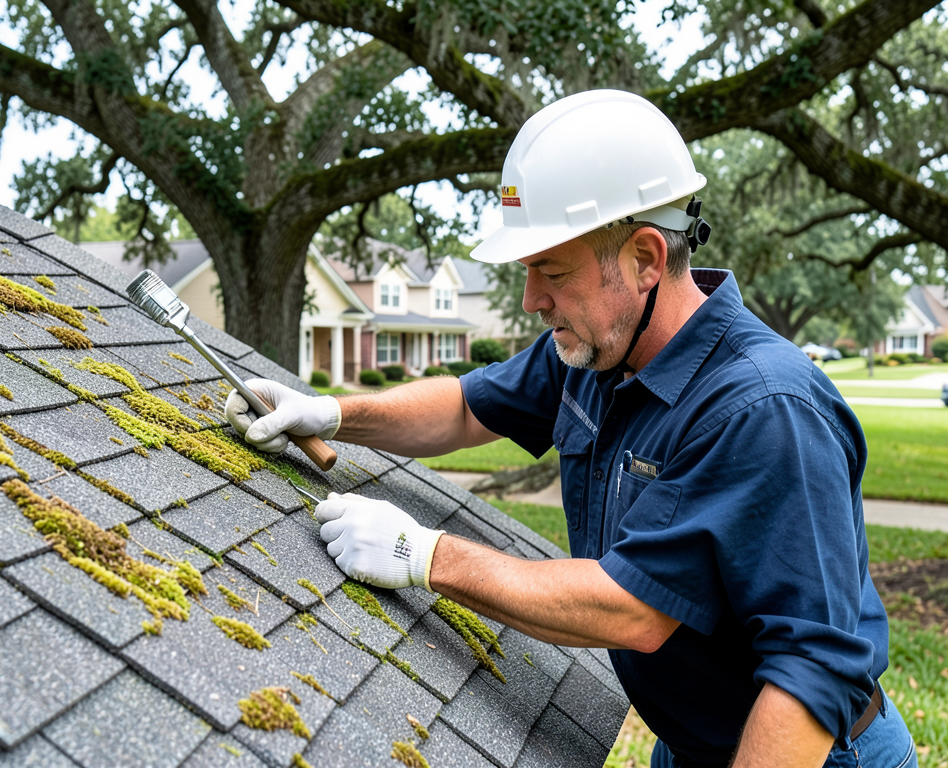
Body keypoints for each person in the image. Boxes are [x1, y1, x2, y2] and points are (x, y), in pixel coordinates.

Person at [226, 90, 916, 768]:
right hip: (693, 746)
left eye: (551, 270)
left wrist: (427, 555)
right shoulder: (598, 348)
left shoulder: (764, 409)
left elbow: (687, 629)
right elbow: (467, 406)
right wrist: (332, 413)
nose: (532, 300)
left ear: (646, 258)